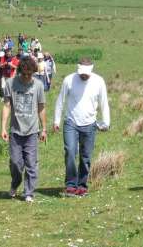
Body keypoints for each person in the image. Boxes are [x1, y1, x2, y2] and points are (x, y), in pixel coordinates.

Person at [53, 57, 110, 197]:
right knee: (70, 152)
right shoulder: (69, 80)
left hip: (90, 124)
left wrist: (106, 122)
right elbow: (61, 100)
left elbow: (104, 103)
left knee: (86, 156)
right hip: (71, 122)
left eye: (86, 73)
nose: (83, 75)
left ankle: (82, 185)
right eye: (81, 73)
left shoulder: (99, 81)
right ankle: (71, 185)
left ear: (91, 69)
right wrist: (56, 120)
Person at [1, 57, 47, 202]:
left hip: (32, 131)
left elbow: (41, 107)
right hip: (15, 131)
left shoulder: (38, 85)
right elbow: (7, 106)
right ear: (20, 71)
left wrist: (44, 128)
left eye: (30, 74)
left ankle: (28, 193)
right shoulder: (10, 83)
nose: (27, 77)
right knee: (16, 163)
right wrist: (3, 128)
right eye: (24, 74)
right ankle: (15, 183)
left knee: (31, 164)